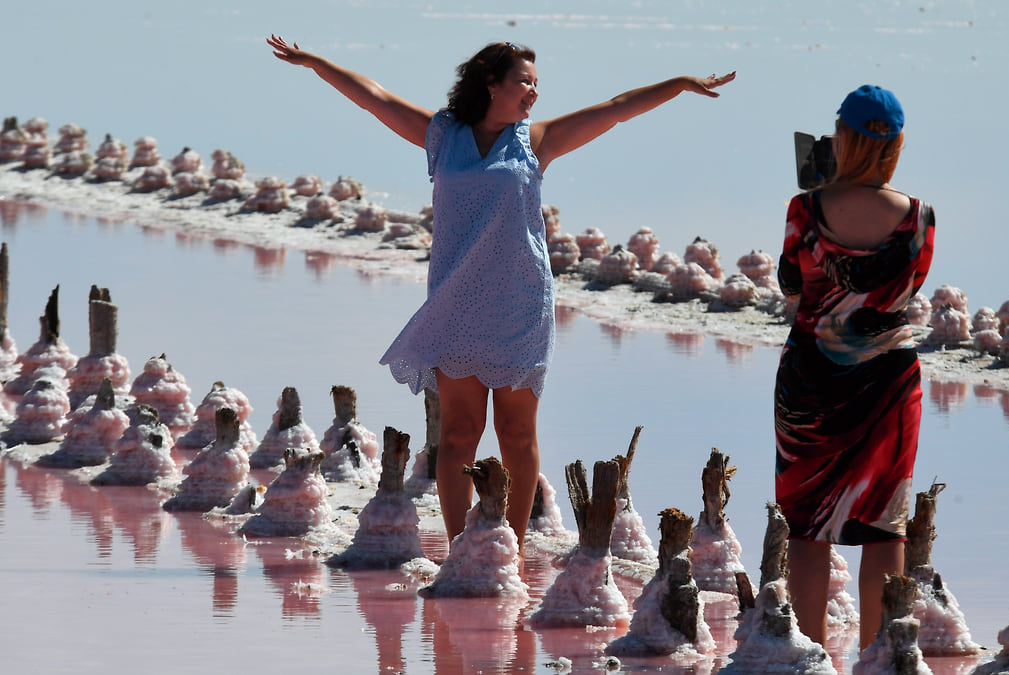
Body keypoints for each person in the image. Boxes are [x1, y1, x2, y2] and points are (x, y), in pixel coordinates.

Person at [266, 35, 734, 559]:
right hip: (456, 302)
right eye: (524, 81)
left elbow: (616, 110)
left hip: (519, 301)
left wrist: (678, 84)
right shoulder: (443, 135)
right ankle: (461, 548)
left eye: (536, 83)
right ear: (492, 83)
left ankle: (507, 546)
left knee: (516, 433)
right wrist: (314, 62)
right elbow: (374, 96)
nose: (533, 92)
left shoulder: (537, 141)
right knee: (460, 431)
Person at [773, 84, 935, 650]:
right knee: (883, 528)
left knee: (809, 528)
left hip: (811, 377)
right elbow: (907, 289)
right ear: (895, 146)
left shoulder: (805, 209)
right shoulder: (919, 217)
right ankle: (879, 656)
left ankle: (809, 655)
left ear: (840, 138)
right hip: (888, 382)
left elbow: (792, 286)